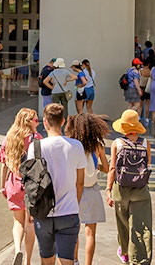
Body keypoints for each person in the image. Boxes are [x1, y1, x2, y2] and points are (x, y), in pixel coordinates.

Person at [26, 103, 86, 265]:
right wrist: (75, 202)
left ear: (45, 121)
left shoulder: (35, 147)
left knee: (47, 260)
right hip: (69, 212)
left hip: (43, 213)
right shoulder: (76, 146)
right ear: (63, 121)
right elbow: (80, 182)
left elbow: (31, 182)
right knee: (67, 260)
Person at [106, 109, 153, 265]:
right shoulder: (146, 143)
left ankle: (125, 251)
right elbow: (147, 165)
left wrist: (108, 190)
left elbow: (112, 168)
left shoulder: (117, 143)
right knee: (141, 226)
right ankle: (140, 260)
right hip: (140, 189)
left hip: (121, 189)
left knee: (123, 223)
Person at [66, 113, 109, 265]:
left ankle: (75, 260)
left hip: (75, 191)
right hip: (92, 191)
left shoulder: (72, 145)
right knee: (90, 233)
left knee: (74, 230)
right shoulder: (98, 145)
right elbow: (106, 168)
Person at [0, 108, 40, 265]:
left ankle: (17, 249)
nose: (38, 122)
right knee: (30, 223)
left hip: (14, 183)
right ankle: (27, 262)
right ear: (28, 122)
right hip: (32, 186)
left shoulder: (10, 138)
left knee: (17, 221)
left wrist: (2, 186)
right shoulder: (36, 139)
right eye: (35, 120)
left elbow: (4, 165)